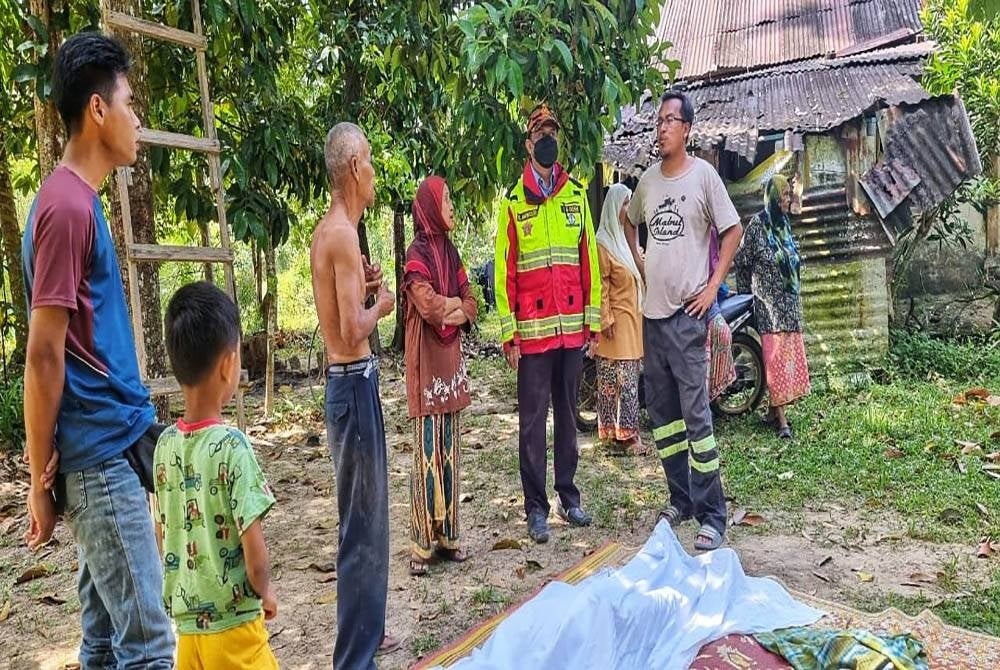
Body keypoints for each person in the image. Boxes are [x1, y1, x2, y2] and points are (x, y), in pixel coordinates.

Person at [21, 32, 174, 667]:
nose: (138, 119)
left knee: (108, 646)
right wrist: (37, 478)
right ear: (98, 111)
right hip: (99, 458)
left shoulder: (79, 201)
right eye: (130, 103)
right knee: (148, 647)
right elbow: (43, 354)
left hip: (107, 448)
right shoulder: (64, 208)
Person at [625, 90, 743, 552]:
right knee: (666, 421)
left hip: (687, 320)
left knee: (697, 420)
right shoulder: (649, 183)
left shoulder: (705, 177)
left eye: (671, 121)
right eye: (659, 121)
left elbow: (732, 229)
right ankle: (681, 500)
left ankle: (713, 514)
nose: (662, 128)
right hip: (652, 321)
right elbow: (627, 218)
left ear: (688, 129)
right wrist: (639, 260)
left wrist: (713, 287)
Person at [154, 281, 278, 668]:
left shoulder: (164, 446)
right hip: (235, 632)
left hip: (188, 635)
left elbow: (163, 534)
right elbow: (254, 551)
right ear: (228, 364)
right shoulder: (232, 446)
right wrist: (265, 590)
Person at [310, 122, 398, 669]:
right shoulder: (342, 233)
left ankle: (368, 632)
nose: (373, 173)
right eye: (368, 162)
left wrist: (363, 287)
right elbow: (348, 331)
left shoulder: (335, 231)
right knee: (363, 527)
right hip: (351, 382)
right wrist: (381, 306)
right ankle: (355, 658)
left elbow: (342, 306)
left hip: (347, 388)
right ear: (352, 169)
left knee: (366, 519)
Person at [494, 104, 601, 544]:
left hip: (572, 331)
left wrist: (593, 325)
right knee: (532, 424)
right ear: (528, 142)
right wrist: (508, 333)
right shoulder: (513, 203)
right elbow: (505, 272)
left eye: (552, 132)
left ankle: (568, 497)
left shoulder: (575, 195)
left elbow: (589, 261)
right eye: (540, 132)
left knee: (569, 419)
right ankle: (536, 508)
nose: (547, 139)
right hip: (533, 337)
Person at [402, 176, 478, 576]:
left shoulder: (450, 252)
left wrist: (454, 306)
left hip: (450, 365)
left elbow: (472, 304)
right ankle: (421, 544)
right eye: (445, 199)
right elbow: (430, 308)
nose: (450, 205)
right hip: (426, 364)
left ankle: (449, 537)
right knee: (427, 452)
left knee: (451, 450)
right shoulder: (415, 255)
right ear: (430, 207)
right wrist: (454, 306)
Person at [734, 175, 811, 439]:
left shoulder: (784, 224)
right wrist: (746, 295)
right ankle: (782, 421)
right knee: (774, 359)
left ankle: (771, 411)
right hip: (768, 306)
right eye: (786, 195)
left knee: (786, 359)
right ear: (774, 197)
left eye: (790, 195)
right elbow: (741, 260)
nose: (789, 200)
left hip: (788, 305)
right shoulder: (757, 225)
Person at [592, 183, 646, 456]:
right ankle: (625, 435)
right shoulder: (604, 242)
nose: (629, 209)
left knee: (627, 378)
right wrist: (605, 319)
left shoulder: (626, 240)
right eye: (625, 204)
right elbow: (599, 284)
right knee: (618, 381)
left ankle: (621, 431)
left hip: (632, 320)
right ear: (614, 207)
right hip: (616, 323)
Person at [706, 227, 737, 402]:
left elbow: (715, 262)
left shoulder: (712, 228)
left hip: (711, 296)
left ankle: (712, 393)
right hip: (691, 293)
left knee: (723, 334)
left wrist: (721, 289)